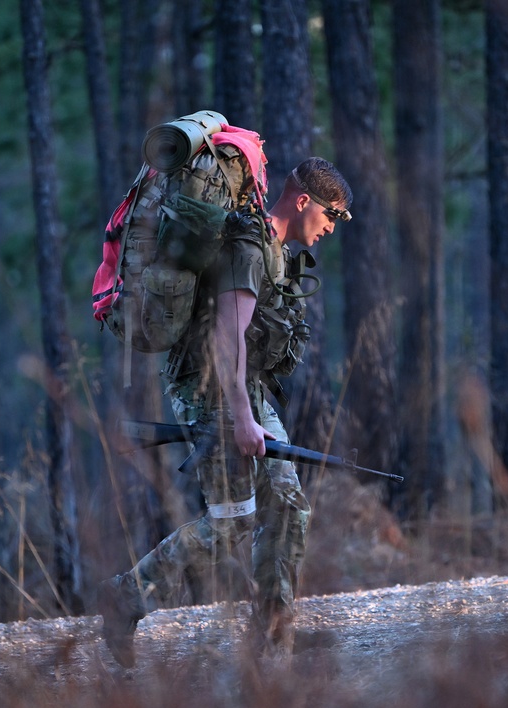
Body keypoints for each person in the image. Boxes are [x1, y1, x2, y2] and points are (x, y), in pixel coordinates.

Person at [98, 156, 353, 668]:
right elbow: (224, 338)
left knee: (286, 502)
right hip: (211, 386)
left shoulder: (275, 249)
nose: (331, 226)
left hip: (245, 387)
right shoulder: (250, 246)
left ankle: (275, 637)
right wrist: (240, 418)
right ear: (303, 201)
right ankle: (125, 597)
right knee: (233, 519)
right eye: (331, 214)